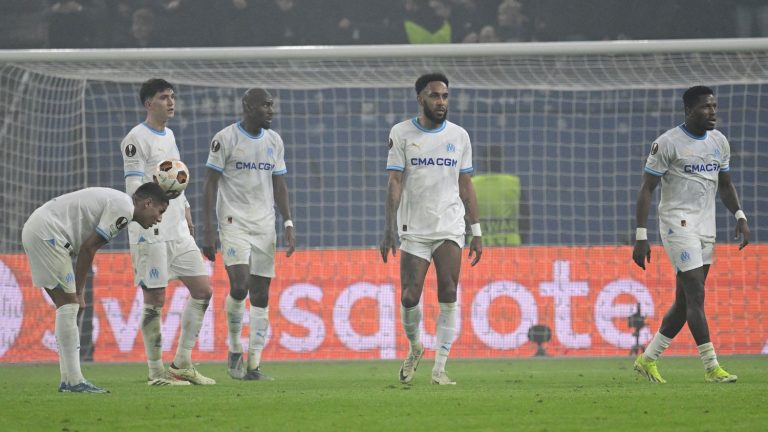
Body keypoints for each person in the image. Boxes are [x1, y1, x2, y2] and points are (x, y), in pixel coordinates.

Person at [632, 85, 750, 384]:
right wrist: (641, 236)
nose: (713, 112)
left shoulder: (719, 141)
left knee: (685, 301)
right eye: (706, 107)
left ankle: (647, 359)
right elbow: (647, 188)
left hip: (705, 226)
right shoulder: (668, 143)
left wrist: (739, 215)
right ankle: (711, 366)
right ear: (689, 110)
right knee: (696, 293)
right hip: (676, 224)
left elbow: (725, 184)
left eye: (714, 106)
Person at [380, 72, 482, 385]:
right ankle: (415, 347)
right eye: (435, 96)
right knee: (410, 296)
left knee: (449, 290)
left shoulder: (459, 136)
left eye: (445, 96)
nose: (441, 102)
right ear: (420, 98)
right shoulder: (401, 133)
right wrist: (388, 229)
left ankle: (440, 367)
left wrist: (476, 229)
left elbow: (466, 184)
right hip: (413, 228)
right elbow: (394, 181)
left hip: (450, 224)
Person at [22, 183, 169, 393]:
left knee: (66, 308)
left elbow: (86, 247)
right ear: (147, 203)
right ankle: (74, 382)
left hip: (39, 229)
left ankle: (68, 380)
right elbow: (88, 248)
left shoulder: (120, 202)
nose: (159, 218)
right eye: (160, 211)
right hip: (47, 234)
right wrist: (80, 292)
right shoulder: (124, 210)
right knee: (70, 305)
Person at [120, 78, 216, 386]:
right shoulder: (135, 138)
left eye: (172, 96)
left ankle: (182, 363)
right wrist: (158, 199)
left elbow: (175, 176)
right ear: (149, 104)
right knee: (155, 298)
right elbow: (134, 188)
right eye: (164, 97)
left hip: (177, 229)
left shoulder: (169, 134)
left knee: (203, 290)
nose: (170, 102)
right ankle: (155, 372)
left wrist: (185, 208)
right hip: (151, 230)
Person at [202, 88, 295, 381]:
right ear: (248, 106)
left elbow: (279, 185)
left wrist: (288, 222)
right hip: (233, 222)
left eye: (272, 105)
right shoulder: (225, 138)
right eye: (266, 105)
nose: (271, 110)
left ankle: (254, 364)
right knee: (240, 286)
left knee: (261, 293)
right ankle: (234, 347)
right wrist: (208, 230)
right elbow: (210, 185)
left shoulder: (274, 141)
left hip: (265, 225)